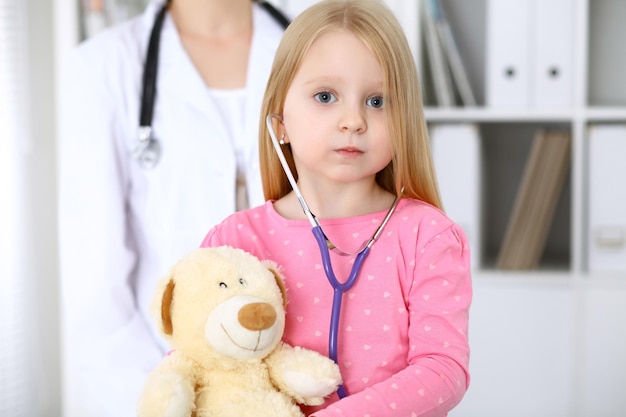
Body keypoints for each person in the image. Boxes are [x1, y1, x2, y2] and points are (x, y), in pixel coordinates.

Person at [200, 0, 472, 415]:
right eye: (325, 96)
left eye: (377, 101)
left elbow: (442, 370)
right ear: (282, 124)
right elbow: (198, 360)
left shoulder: (427, 236)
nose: (353, 120)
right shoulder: (234, 242)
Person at [56, 0, 288, 416]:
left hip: (305, 378)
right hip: (157, 380)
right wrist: (164, 397)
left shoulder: (320, 43)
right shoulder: (103, 67)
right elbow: (97, 285)